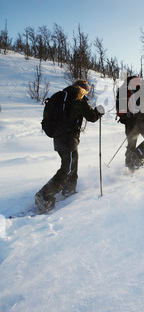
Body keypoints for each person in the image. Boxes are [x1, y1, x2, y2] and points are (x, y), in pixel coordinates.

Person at [35, 80, 105, 213]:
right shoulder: (77, 98)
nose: (86, 92)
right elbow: (92, 116)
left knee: (71, 164)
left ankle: (69, 190)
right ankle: (44, 195)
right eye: (87, 89)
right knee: (67, 168)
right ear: (83, 88)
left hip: (58, 137)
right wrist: (99, 111)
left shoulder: (63, 96)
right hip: (68, 138)